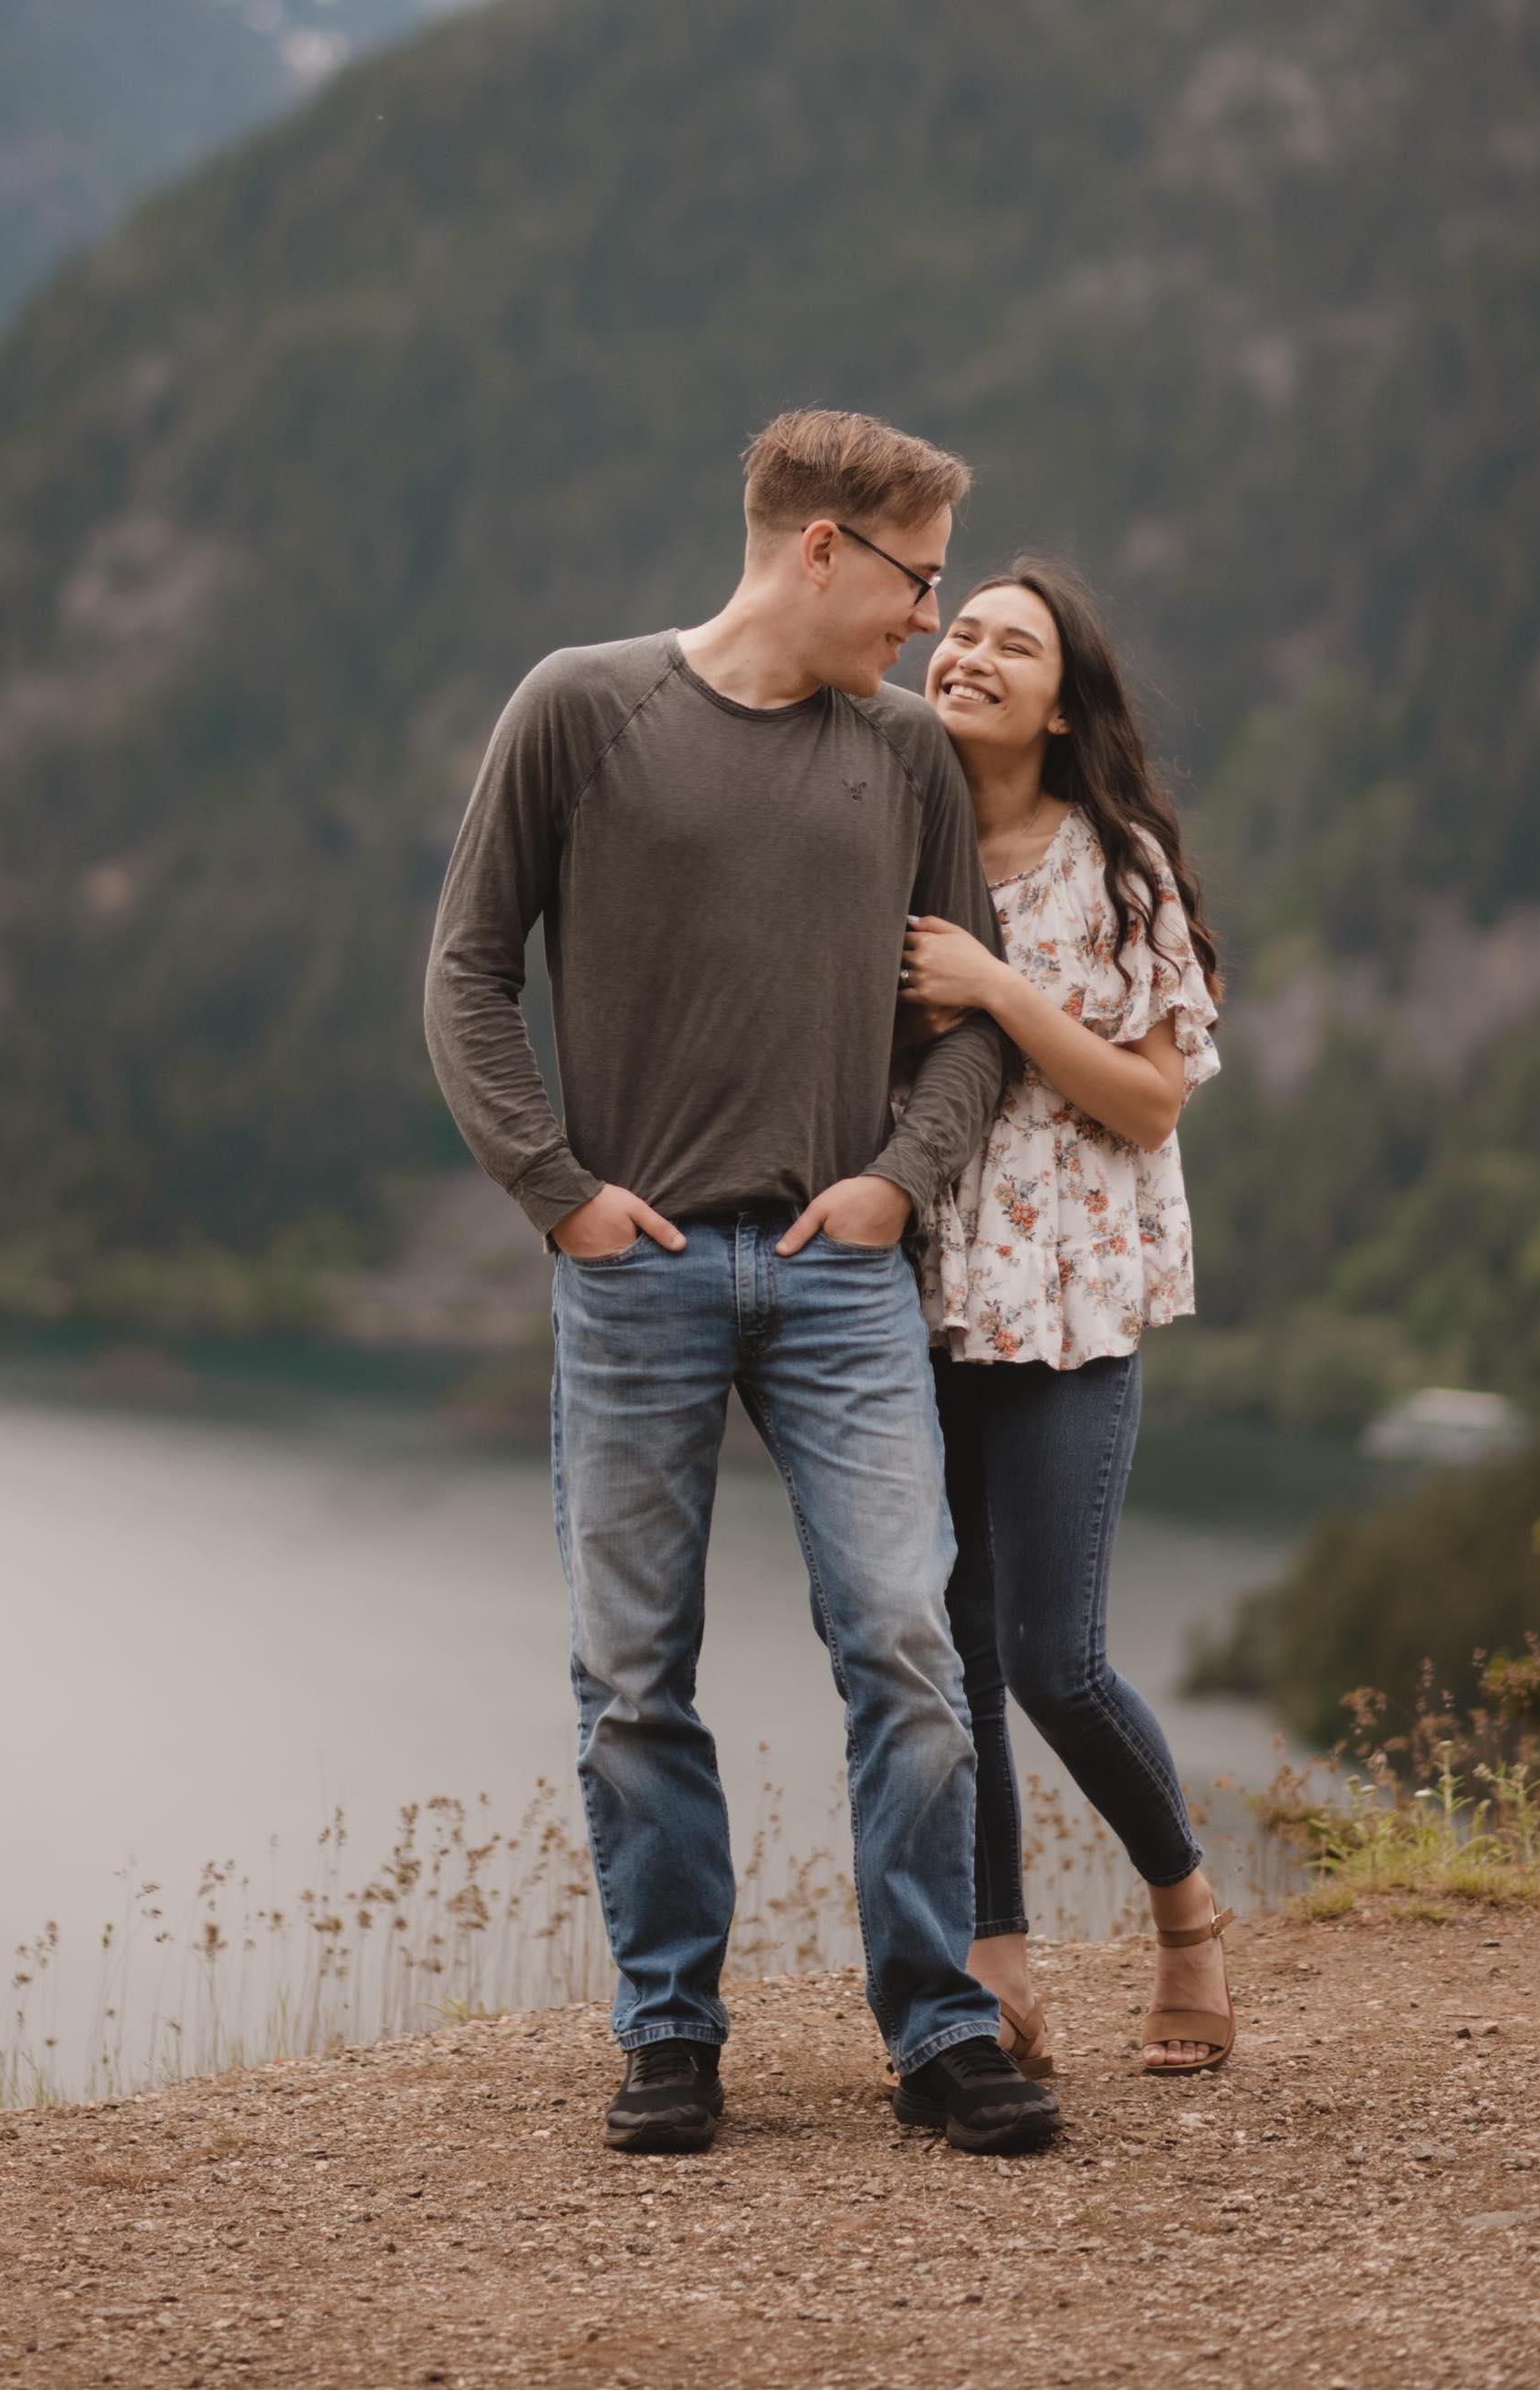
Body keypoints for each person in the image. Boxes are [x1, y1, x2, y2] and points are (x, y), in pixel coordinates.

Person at [423, 410, 1062, 2158]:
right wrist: (558, 1198)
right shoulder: (580, 706)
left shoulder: (908, 758)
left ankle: (935, 2028)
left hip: (840, 1274)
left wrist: (893, 1188)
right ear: (824, 550)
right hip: (629, 1276)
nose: (932, 625)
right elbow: (468, 977)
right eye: (920, 580)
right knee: (635, 1673)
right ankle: (671, 2031)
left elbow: (972, 1027)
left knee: (911, 1649)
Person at [896, 557, 1239, 2079]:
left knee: (1054, 1659)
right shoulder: (888, 835)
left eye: (1010, 643)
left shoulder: (1115, 868)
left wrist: (999, 988)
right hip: (910, 1296)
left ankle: (1185, 1922)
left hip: (1070, 1307)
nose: (969, 651)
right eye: (959, 627)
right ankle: (998, 1969)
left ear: (1060, 697)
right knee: (944, 1650)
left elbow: (1151, 1096)